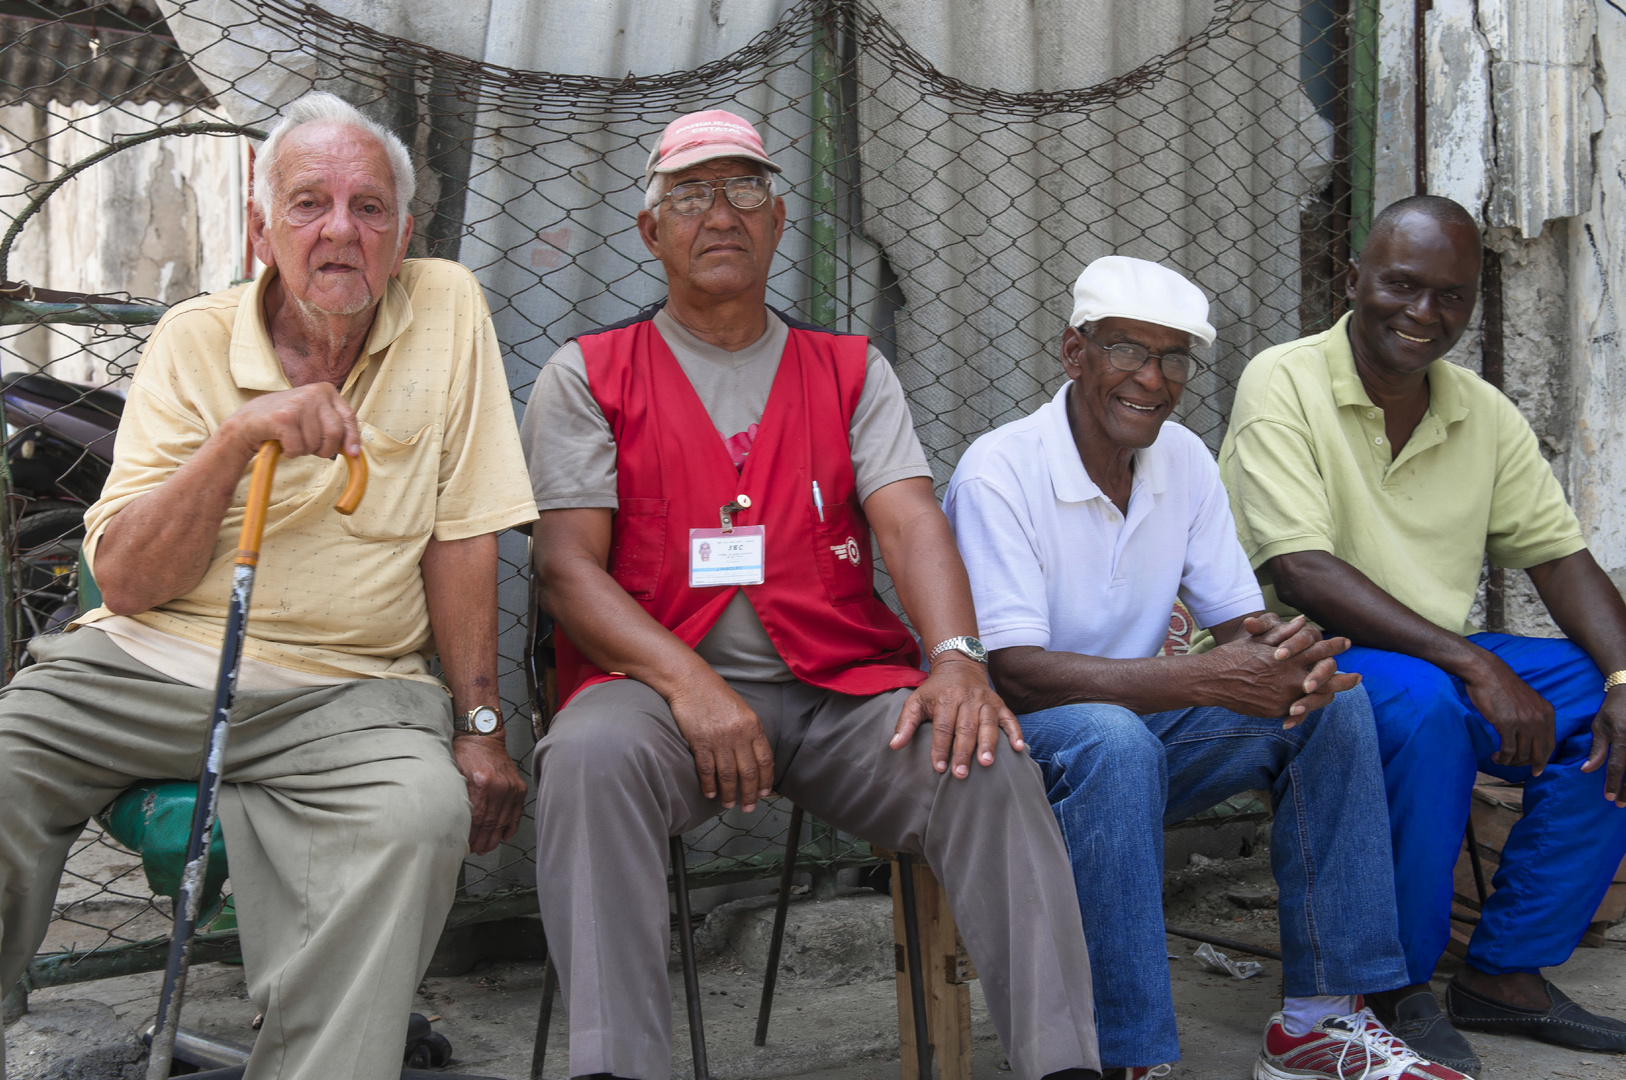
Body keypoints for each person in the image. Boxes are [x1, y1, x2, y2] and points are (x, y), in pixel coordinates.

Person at [520, 108, 1100, 1080]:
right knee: (585, 757)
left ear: (780, 219)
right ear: (649, 230)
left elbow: (913, 522)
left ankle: (1065, 1065)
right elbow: (565, 567)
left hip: (838, 689)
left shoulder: (849, 371)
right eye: (690, 193)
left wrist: (958, 660)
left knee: (985, 759)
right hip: (662, 699)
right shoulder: (587, 376)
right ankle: (616, 1066)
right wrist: (689, 685)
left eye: (743, 189)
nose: (720, 213)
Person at [0, 92, 537, 1080]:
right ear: (260, 231)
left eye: (369, 208)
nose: (341, 228)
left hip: (355, 689)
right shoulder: (191, 341)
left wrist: (482, 724)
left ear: (403, 233)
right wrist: (239, 439)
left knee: (421, 818)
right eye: (308, 204)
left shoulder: (449, 308)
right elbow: (122, 582)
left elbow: (463, 534)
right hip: (148, 664)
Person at [945, 256, 1469, 1080]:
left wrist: (1289, 659)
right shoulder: (999, 473)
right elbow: (1017, 675)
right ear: (1073, 353)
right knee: (1111, 740)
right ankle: (1126, 1057)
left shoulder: (1181, 459)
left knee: (1330, 706)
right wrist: (1211, 679)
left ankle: (1318, 1023)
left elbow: (1239, 622)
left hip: (1136, 737)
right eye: (1127, 353)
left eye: (1175, 359)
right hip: (1021, 756)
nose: (1152, 381)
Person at [1220, 194, 1626, 1074]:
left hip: (1437, 651)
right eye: (1403, 285)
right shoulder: (1283, 379)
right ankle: (1386, 985)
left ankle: (1506, 972)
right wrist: (1473, 661)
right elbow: (1301, 569)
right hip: (1303, 656)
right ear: (1353, 278)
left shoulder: (1478, 409)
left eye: (1450, 295)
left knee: (1606, 701)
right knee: (1425, 708)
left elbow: (1560, 559)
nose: (1424, 313)